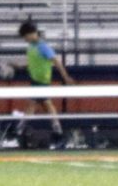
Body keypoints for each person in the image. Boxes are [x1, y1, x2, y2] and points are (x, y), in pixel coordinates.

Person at [10, 21, 76, 149]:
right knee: (43, 105)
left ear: (32, 33)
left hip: (42, 81)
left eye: (25, 36)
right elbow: (33, 63)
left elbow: (56, 61)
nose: (25, 39)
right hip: (35, 80)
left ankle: (19, 131)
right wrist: (20, 66)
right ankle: (57, 133)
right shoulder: (31, 47)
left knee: (36, 105)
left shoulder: (43, 47)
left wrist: (65, 77)